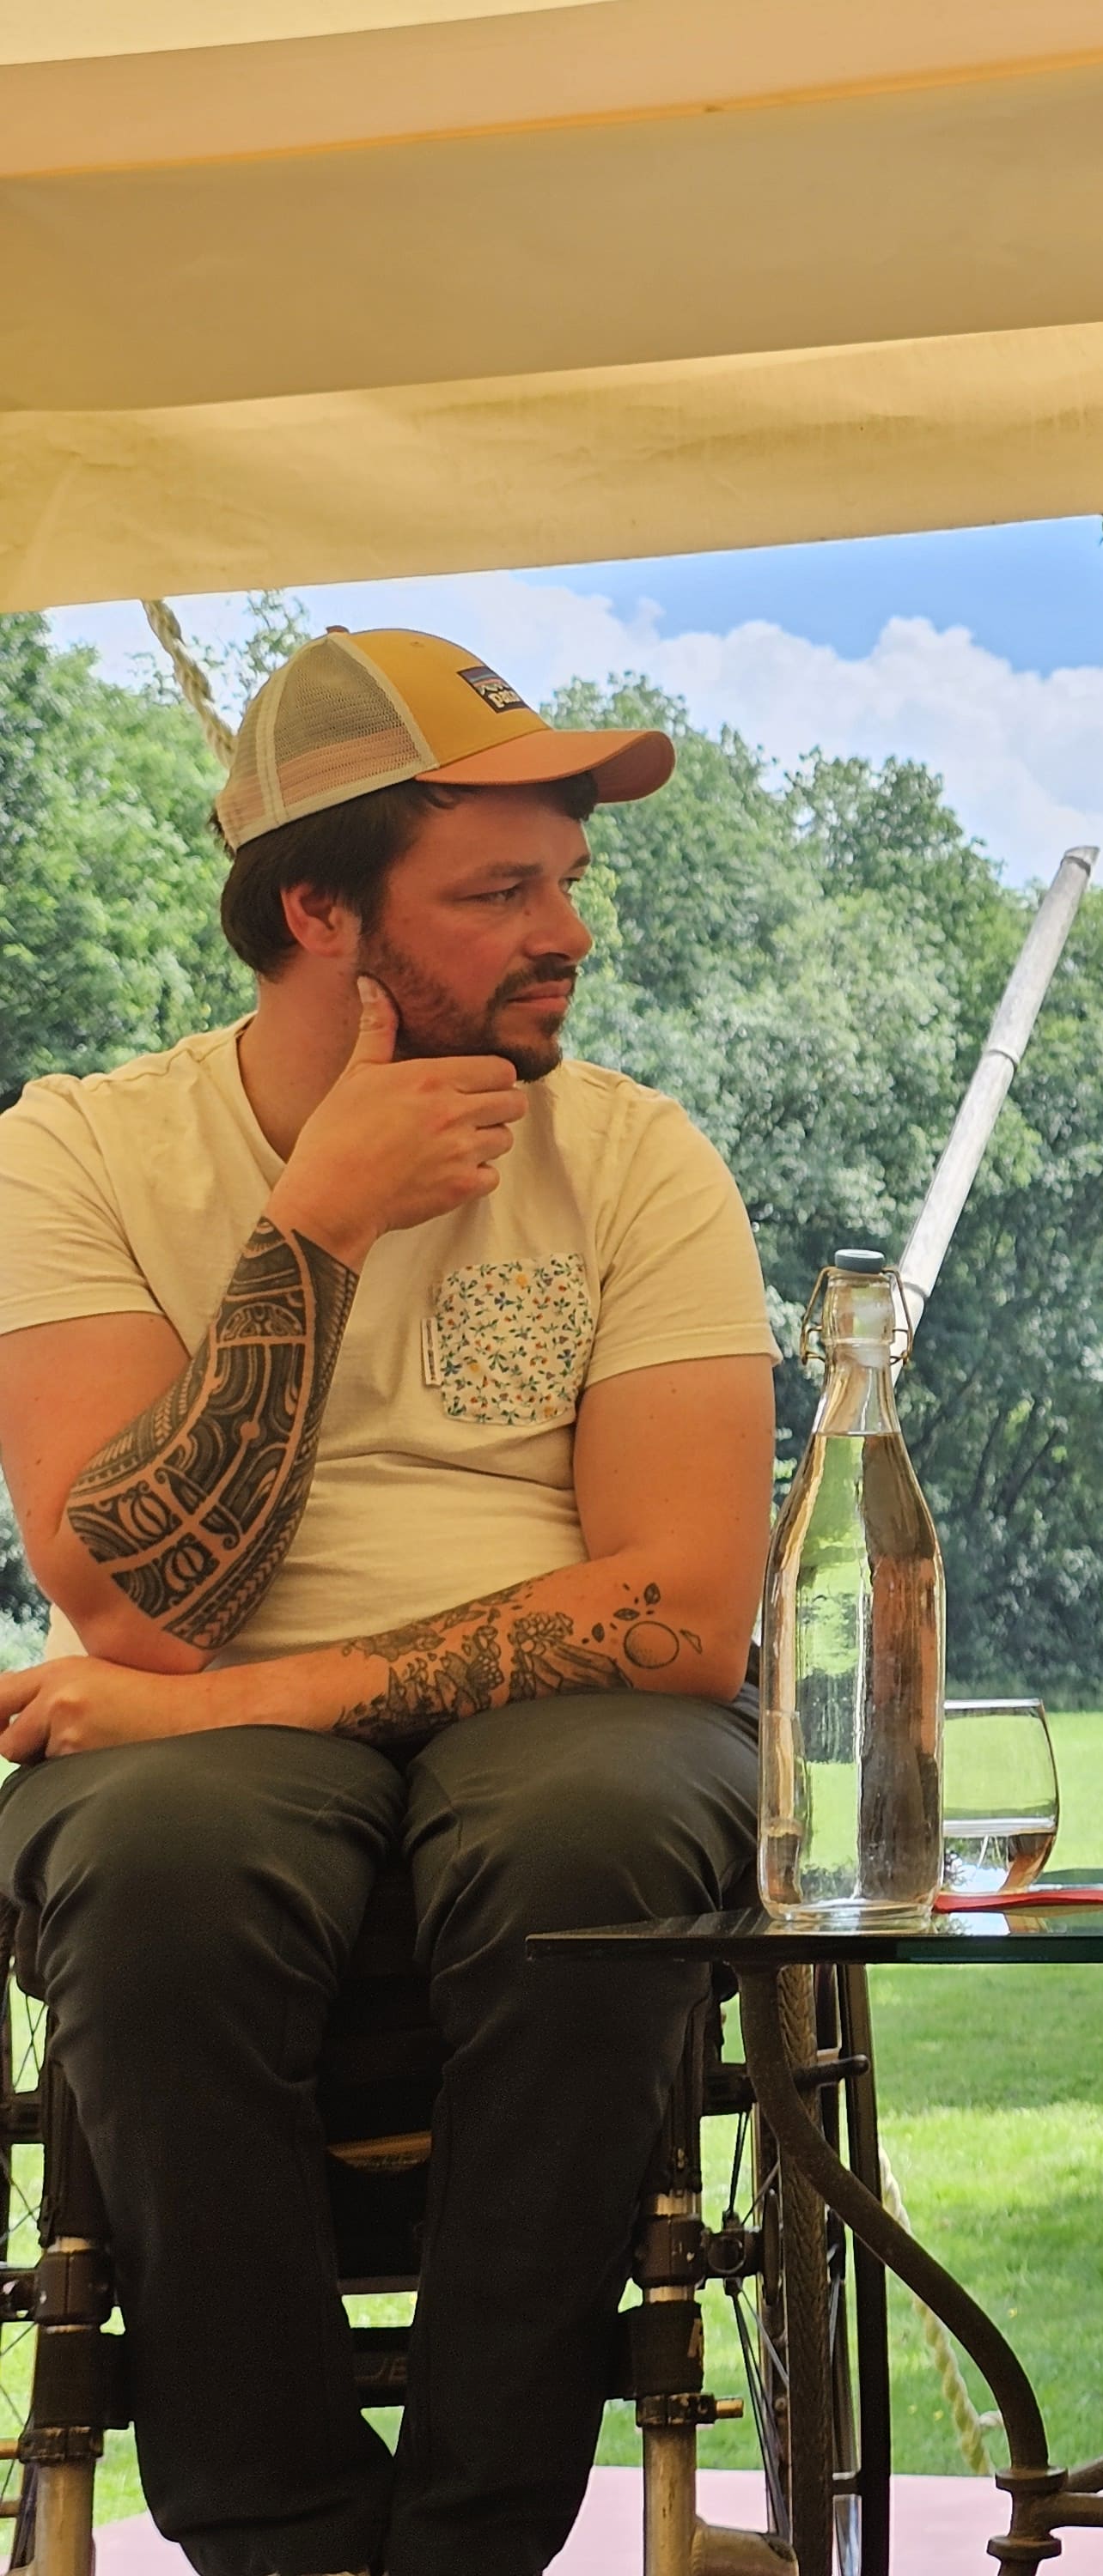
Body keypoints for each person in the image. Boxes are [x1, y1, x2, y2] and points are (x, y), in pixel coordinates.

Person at [0, 629, 777, 2576]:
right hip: (202, 1721)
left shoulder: (637, 1158)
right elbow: (143, 1611)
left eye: (565, 884)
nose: (564, 935)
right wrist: (315, 1225)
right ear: (322, 912)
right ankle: (281, 2546)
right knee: (162, 1855)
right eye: (496, 891)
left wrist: (216, 1708)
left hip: (563, 1725)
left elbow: (685, 1610)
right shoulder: (78, 1151)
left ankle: (469, 2545)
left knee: (592, 1825)